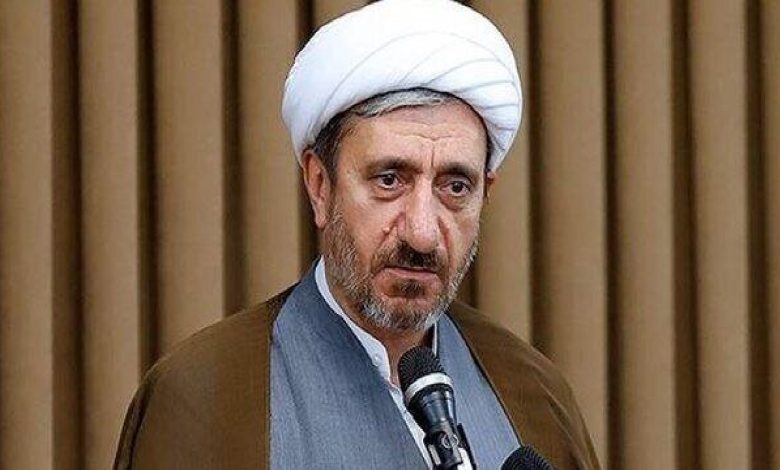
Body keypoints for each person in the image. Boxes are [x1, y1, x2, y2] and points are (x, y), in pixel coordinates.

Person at [114, 1, 600, 469]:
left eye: (455, 187)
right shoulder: (205, 397)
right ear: (320, 185)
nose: (422, 234)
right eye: (389, 180)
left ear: (485, 194)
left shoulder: (535, 395)